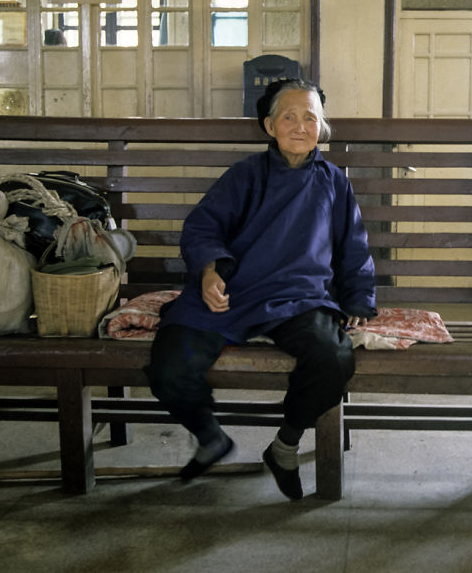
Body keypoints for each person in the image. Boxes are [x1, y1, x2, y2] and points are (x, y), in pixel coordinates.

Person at [145, 78, 376, 501]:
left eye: (311, 118)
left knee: (333, 357)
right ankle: (209, 436)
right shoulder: (244, 176)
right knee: (170, 362)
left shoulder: (334, 183)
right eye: (289, 117)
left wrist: (359, 297)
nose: (300, 126)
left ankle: (285, 446)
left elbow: (353, 246)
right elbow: (203, 226)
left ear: (322, 128)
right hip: (235, 291)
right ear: (270, 126)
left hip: (300, 297)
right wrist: (210, 271)